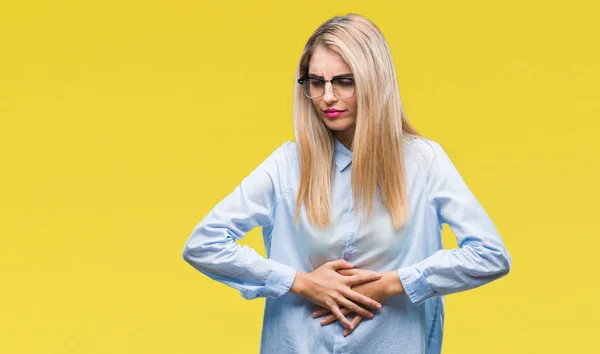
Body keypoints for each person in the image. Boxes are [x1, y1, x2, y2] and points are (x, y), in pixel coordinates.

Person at [182, 13, 511, 354]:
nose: (327, 97)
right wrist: (301, 283)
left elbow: (489, 256)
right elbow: (204, 244)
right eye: (315, 82)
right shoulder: (286, 164)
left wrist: (392, 284)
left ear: (374, 81)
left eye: (344, 81)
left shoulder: (424, 162)